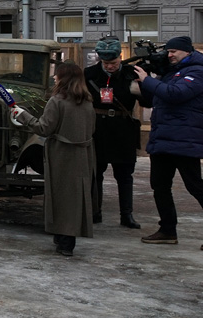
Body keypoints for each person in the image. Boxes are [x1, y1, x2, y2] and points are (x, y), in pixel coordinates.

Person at [12, 62, 96, 257]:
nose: (54, 78)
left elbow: (44, 128)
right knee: (75, 196)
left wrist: (23, 116)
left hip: (61, 153)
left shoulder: (57, 101)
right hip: (83, 154)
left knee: (60, 195)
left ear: (62, 78)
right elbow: (91, 130)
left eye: (57, 75)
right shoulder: (87, 102)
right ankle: (66, 238)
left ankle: (64, 240)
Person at [132, 35, 203, 248]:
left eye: (174, 52)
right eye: (168, 51)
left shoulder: (197, 72)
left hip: (184, 139)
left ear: (187, 52)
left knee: (195, 187)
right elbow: (155, 99)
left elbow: (174, 94)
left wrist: (148, 79)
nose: (169, 55)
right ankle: (167, 230)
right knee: (160, 186)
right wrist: (142, 83)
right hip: (163, 139)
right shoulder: (172, 73)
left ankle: (168, 230)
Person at [84, 36, 149, 228]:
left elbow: (147, 102)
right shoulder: (90, 74)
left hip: (124, 128)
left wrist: (142, 88)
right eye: (105, 63)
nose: (109, 66)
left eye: (113, 63)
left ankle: (126, 215)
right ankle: (95, 211)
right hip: (99, 129)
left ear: (120, 57)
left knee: (125, 175)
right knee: (96, 174)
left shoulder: (131, 73)